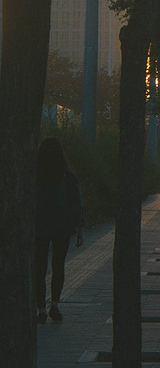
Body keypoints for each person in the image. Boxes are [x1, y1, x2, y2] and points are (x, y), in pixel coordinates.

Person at [33, 137, 83, 323]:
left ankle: (41, 309)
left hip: (39, 227)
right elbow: (76, 203)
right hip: (62, 226)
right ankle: (55, 304)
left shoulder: (35, 175)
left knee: (39, 267)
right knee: (58, 266)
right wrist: (79, 226)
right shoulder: (67, 176)